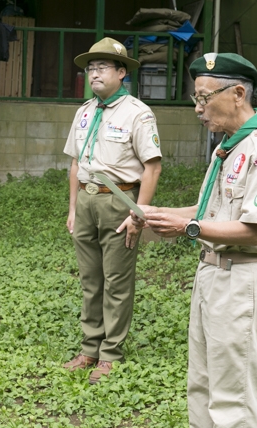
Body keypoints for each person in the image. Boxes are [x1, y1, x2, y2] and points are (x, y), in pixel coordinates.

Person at [132, 53, 257, 428]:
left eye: (205, 99)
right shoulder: (227, 148)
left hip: (241, 280)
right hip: (211, 276)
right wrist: (154, 213)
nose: (198, 110)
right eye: (195, 99)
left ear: (238, 93)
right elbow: (210, 211)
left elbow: (252, 228)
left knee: (233, 399)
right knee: (202, 387)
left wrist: (188, 227)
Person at [62, 37, 162, 384]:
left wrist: (139, 214)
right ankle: (90, 348)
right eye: (90, 68)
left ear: (122, 72)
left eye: (102, 67)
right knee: (91, 280)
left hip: (119, 201)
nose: (94, 73)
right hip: (88, 201)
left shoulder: (138, 113)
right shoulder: (85, 111)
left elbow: (152, 168)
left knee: (117, 281)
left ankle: (111, 354)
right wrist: (74, 207)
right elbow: (76, 162)